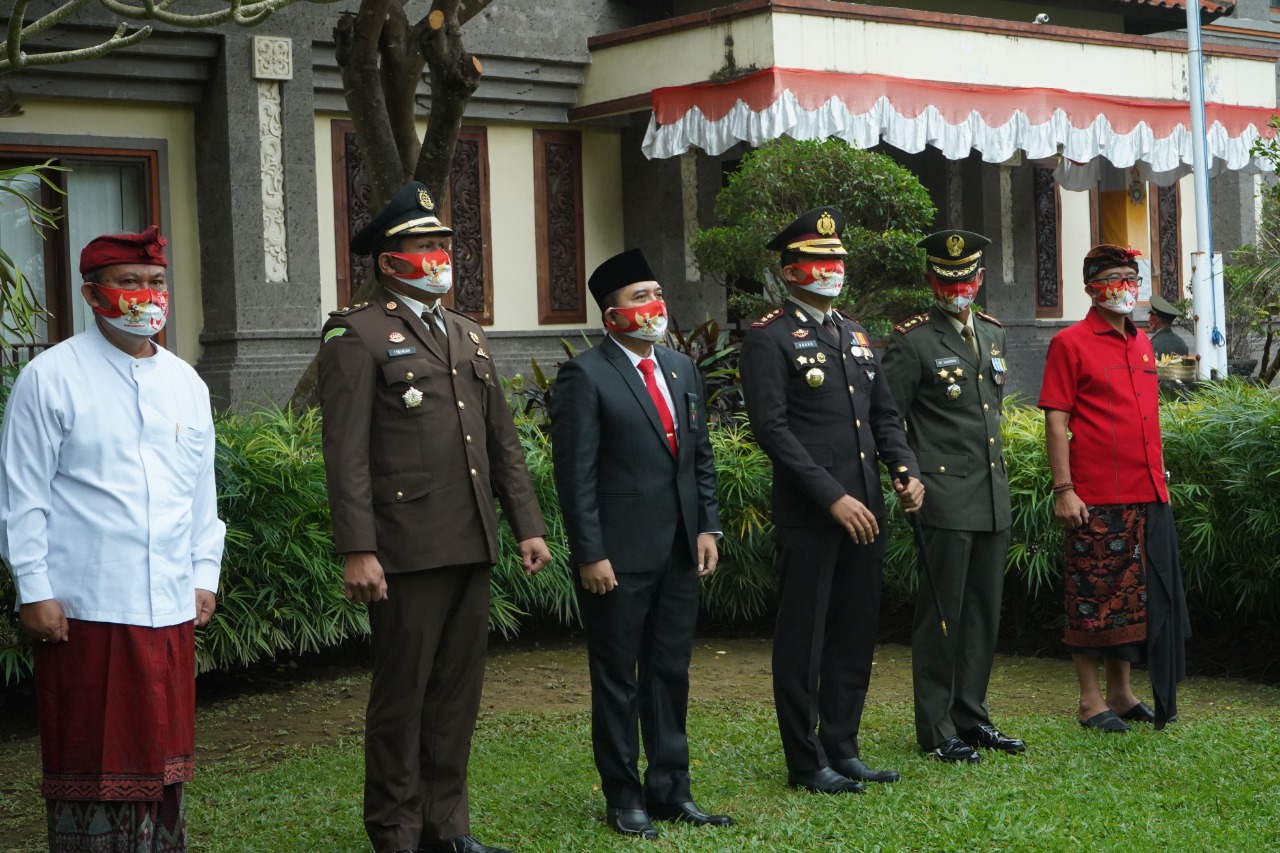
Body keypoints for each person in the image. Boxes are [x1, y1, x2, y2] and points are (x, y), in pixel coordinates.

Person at [317, 181, 552, 853]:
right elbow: (347, 452)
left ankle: (448, 828)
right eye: (425, 246)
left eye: (444, 244)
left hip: (470, 533)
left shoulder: (466, 332)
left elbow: (500, 439)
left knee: (456, 695)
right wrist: (357, 547)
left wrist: (527, 523)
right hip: (404, 545)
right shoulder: (356, 334)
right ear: (389, 260)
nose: (441, 256)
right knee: (404, 694)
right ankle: (396, 830)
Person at [0, 226, 225, 852]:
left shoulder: (187, 383)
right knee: (92, 766)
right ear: (93, 294)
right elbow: (23, 498)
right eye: (130, 282)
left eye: (156, 283)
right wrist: (34, 588)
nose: (147, 295)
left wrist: (205, 571)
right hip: (88, 608)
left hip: (170, 606)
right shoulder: (50, 379)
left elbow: (199, 492)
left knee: (163, 765)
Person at [740, 207, 924, 794]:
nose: (832, 270)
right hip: (814, 513)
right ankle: (805, 760)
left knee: (853, 631)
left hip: (869, 507)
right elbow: (772, 430)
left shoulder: (856, 332)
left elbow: (884, 417)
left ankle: (843, 746)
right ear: (790, 271)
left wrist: (905, 471)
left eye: (838, 260)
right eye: (819, 261)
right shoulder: (768, 337)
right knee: (805, 638)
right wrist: (831, 497)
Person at [549, 249, 730, 840]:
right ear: (611, 316)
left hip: (680, 549)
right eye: (639, 297)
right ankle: (623, 796)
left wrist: (707, 526)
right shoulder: (587, 374)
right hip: (618, 558)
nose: (654, 306)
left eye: (656, 293)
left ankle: (671, 788)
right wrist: (590, 553)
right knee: (618, 680)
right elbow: (574, 476)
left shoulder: (680, 368)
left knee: (669, 672)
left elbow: (698, 459)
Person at [882, 230, 1026, 764]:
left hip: (991, 497)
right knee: (943, 615)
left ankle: (972, 715)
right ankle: (938, 727)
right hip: (942, 497)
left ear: (980, 279)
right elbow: (888, 421)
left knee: (983, 615)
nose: (957, 287)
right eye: (947, 279)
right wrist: (905, 475)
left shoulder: (994, 334)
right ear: (930, 281)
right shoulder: (912, 340)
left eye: (966, 278)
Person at [1038, 244, 1191, 734]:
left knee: (1137, 598)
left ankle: (1122, 695)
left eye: (1132, 278)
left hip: (1147, 491)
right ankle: (1089, 701)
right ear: (1091, 288)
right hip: (1095, 493)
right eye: (1115, 279)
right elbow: (1056, 421)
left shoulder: (1144, 342)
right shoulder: (1071, 343)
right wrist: (1064, 488)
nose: (1126, 287)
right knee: (1092, 595)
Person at [1147, 294, 1191, 359]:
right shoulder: (1182, 343)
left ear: (1157, 319)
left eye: (1151, 315)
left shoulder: (1153, 344)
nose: (1149, 318)